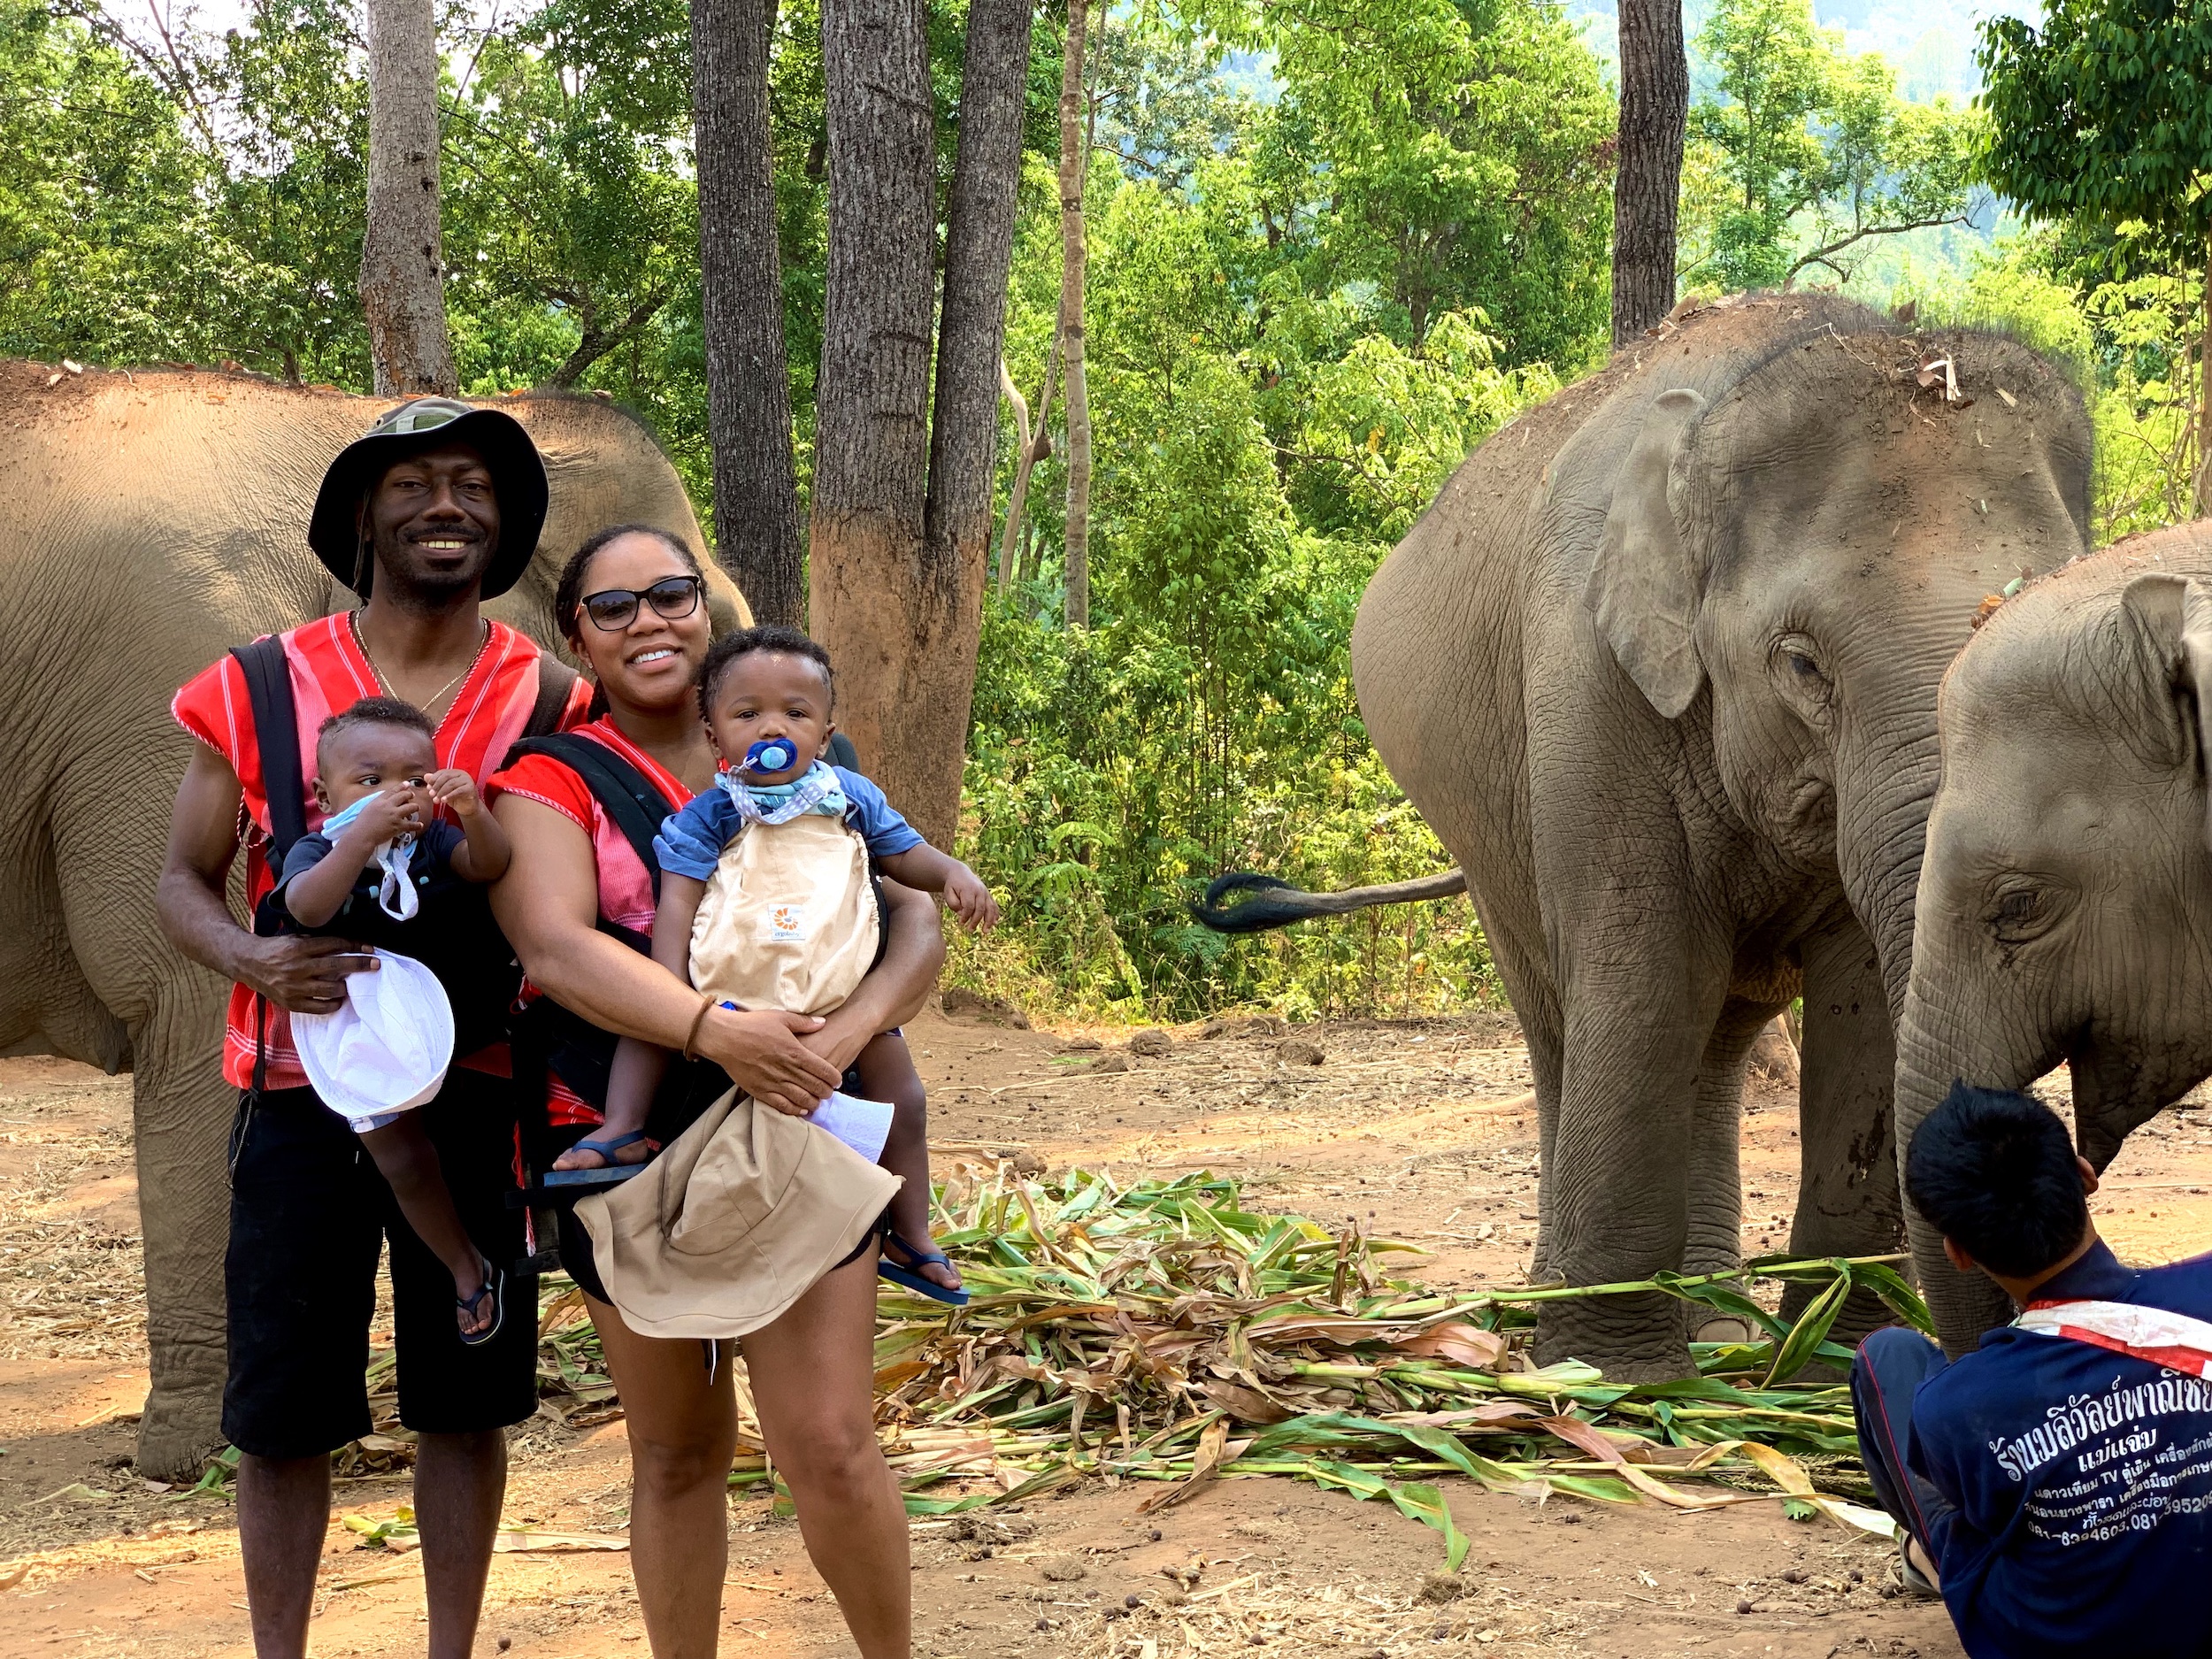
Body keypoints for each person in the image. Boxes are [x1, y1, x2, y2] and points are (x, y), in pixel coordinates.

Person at [157, 397, 588, 1659]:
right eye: (413, 482)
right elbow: (182, 878)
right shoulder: (254, 684)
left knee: (467, 1397)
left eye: (474, 485)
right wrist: (251, 954)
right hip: (301, 1089)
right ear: (362, 514)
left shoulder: (550, 697)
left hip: (479, 1086)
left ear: (506, 525)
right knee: (282, 1409)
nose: (445, 504)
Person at [486, 524, 940, 1659]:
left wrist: (842, 1036)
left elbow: (914, 919)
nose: (648, 620)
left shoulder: (812, 765)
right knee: (677, 1450)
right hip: (627, 1142)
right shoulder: (549, 780)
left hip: (805, 1114)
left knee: (829, 1443)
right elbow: (555, 949)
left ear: (708, 606)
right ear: (575, 638)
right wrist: (716, 1031)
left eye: (671, 594)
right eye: (613, 606)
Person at [554, 623, 996, 1302]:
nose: (772, 727)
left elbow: (905, 854)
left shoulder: (851, 797)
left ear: (825, 732)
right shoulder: (712, 814)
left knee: (904, 1097)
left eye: (795, 712)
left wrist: (952, 872)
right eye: (747, 713)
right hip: (733, 991)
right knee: (646, 1032)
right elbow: (678, 900)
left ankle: (911, 1231)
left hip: (836, 991)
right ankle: (623, 1127)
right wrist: (673, 991)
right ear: (715, 736)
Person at [1853, 1082, 2212, 1659]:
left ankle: (1931, 1561)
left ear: (1957, 1252)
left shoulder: (1958, 1405)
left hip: (2045, 1640)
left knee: (1887, 1356)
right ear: (2086, 1176)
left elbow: (1985, 1512)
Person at [258, 695, 514, 1340]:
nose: (395, 794)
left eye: (414, 779)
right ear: (325, 795)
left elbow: (489, 864)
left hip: (450, 1026)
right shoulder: (318, 847)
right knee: (404, 1162)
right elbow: (308, 908)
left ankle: (482, 1263)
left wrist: (471, 810)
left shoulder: (432, 841)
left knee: (465, 1151)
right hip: (360, 1031)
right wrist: (361, 836)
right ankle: (465, 1266)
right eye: (370, 781)